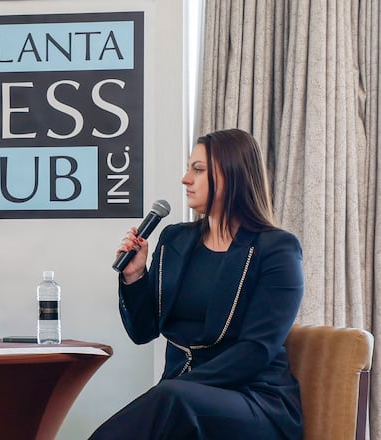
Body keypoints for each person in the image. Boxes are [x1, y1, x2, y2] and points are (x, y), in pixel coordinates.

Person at [90, 129, 304, 439]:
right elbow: (143, 331)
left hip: (254, 399)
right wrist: (135, 276)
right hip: (180, 399)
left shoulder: (277, 249)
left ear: (232, 175)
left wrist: (177, 388)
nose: (185, 179)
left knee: (172, 401)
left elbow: (255, 350)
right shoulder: (175, 239)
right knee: (173, 403)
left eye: (198, 170)